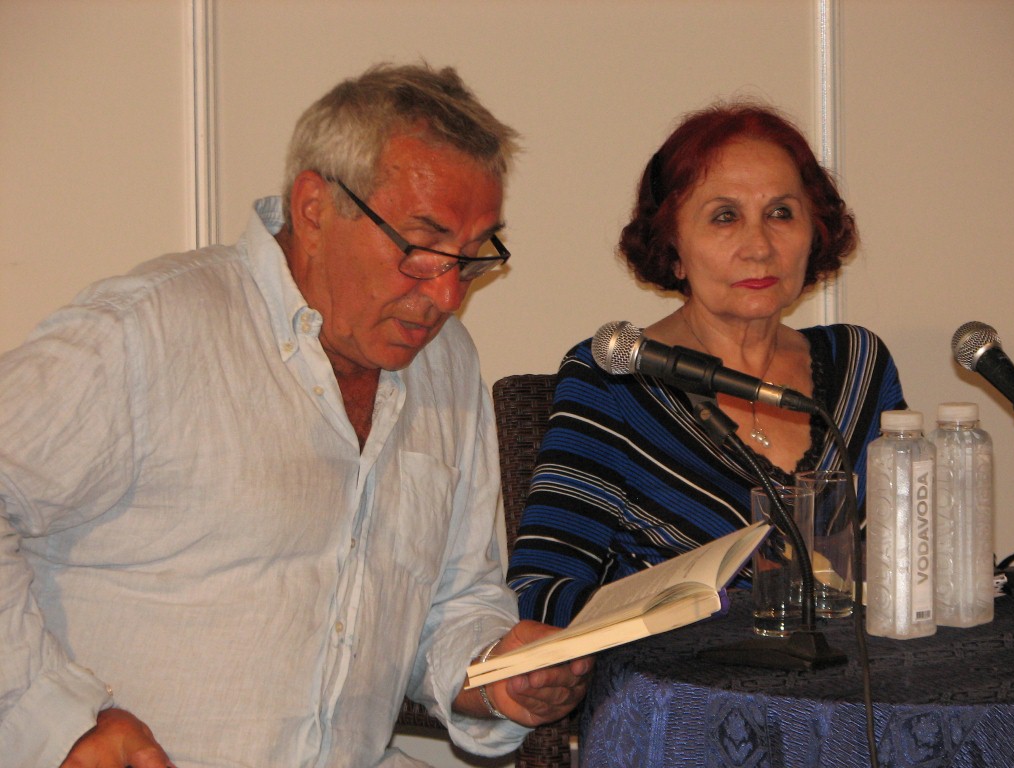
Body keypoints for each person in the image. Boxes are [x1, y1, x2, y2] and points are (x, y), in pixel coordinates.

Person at [0, 63, 591, 768]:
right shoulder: (151, 328)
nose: (446, 297)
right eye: (421, 248)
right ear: (314, 208)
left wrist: (498, 676)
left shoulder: (448, 366)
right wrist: (60, 719)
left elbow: (454, 601)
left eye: (469, 259)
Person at [508, 101, 907, 628]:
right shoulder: (615, 381)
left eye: (781, 213)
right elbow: (536, 590)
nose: (759, 247)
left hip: (863, 675)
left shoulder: (860, 367)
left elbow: (914, 556)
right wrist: (678, 614)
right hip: (680, 676)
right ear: (673, 245)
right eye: (725, 217)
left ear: (815, 231)